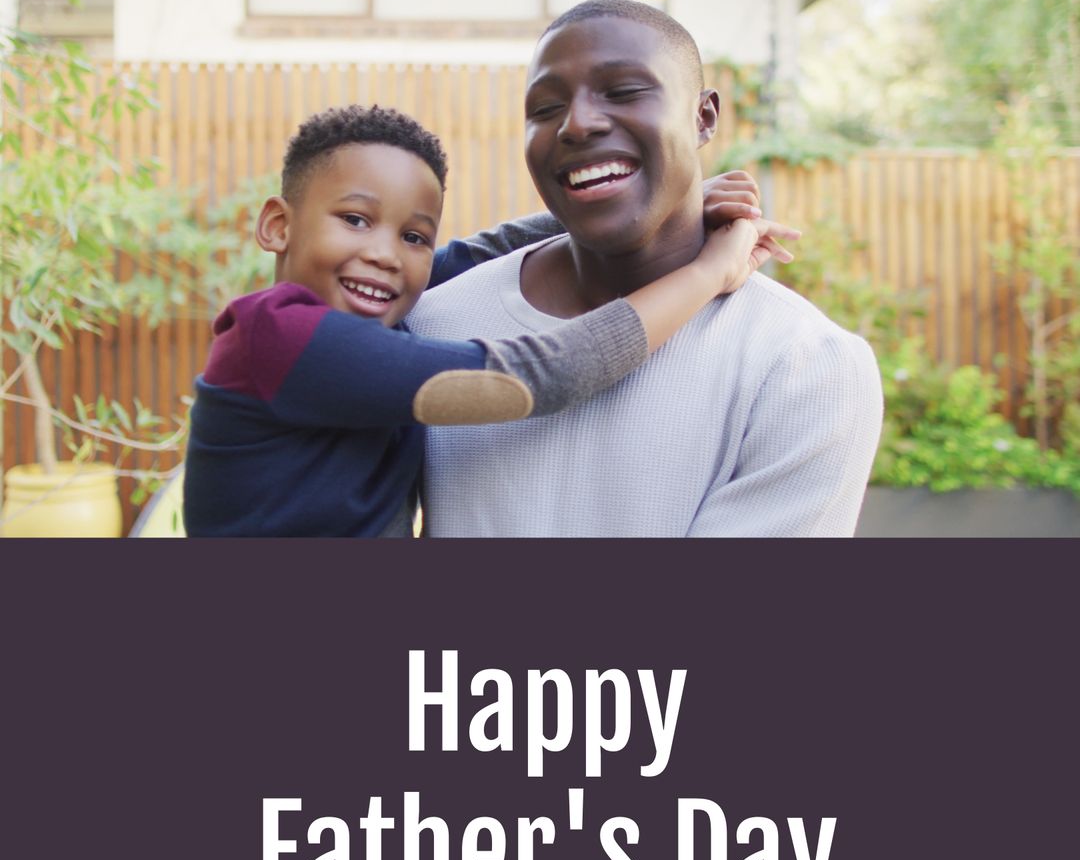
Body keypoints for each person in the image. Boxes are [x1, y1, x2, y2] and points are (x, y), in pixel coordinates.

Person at [182, 104, 797, 537]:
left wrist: (668, 200)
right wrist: (708, 272)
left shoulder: (379, 305)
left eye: (414, 235)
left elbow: (480, 253)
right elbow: (532, 377)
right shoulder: (283, 337)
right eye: (355, 219)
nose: (385, 253)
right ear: (277, 226)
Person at [412, 0, 884, 538]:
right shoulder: (433, 327)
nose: (577, 123)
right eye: (544, 108)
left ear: (703, 117)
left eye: (624, 91)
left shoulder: (806, 367)